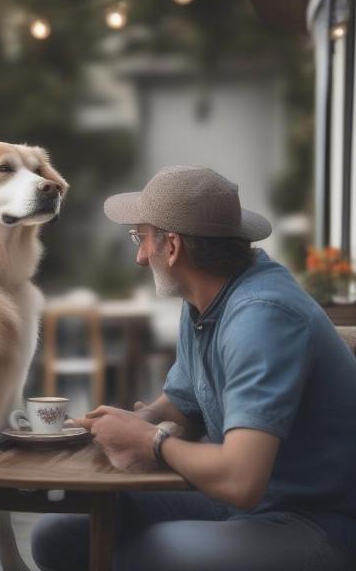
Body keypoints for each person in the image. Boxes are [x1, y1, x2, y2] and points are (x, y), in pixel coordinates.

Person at [30, 165, 356, 571]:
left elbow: (240, 479)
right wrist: (128, 423)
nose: (138, 256)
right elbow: (182, 405)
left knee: (158, 552)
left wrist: (151, 441)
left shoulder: (262, 317)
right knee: (61, 535)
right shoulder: (204, 301)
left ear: (172, 246)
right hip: (256, 502)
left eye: (141, 238)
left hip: (315, 521)